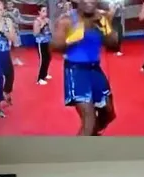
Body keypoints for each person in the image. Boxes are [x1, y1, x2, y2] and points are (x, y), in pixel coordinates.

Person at [51, 0, 121, 136]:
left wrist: (105, 29)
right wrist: (71, 39)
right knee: (89, 121)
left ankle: (90, 138)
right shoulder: (67, 20)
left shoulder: (101, 18)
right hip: (76, 71)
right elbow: (54, 46)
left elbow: (114, 43)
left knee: (109, 113)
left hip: (95, 69)